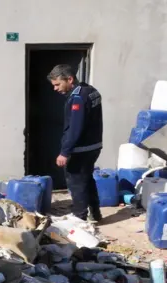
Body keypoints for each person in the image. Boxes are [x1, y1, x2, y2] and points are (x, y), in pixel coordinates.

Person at [48, 64, 105, 222]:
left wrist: (65, 152)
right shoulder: (91, 91)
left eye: (57, 84)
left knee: (76, 183)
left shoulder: (78, 98)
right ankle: (95, 213)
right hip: (94, 146)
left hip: (81, 149)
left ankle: (80, 218)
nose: (55, 89)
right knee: (87, 179)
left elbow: (75, 128)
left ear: (70, 79)